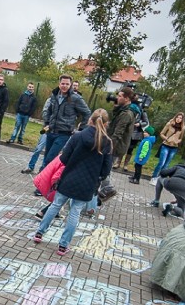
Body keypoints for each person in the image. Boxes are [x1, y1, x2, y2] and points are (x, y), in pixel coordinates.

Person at [32, 109, 112, 256]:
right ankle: (63, 246)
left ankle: (39, 233)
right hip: (88, 184)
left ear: (89, 121)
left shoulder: (78, 136)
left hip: (69, 178)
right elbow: (106, 169)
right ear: (106, 124)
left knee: (56, 205)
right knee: (74, 213)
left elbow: (64, 158)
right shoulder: (107, 143)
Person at [40, 75, 92, 170]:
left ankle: (43, 178)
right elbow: (49, 110)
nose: (64, 86)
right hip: (51, 131)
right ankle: (49, 180)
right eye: (63, 83)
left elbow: (87, 113)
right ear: (59, 84)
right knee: (46, 158)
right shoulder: (54, 95)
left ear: (71, 85)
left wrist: (81, 128)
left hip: (63, 133)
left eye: (67, 84)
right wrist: (47, 123)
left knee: (49, 159)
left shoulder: (75, 98)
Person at [151, 112, 185, 185]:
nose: (178, 119)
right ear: (175, 117)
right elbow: (161, 133)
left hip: (174, 147)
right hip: (166, 145)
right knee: (161, 162)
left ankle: (160, 178)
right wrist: (166, 138)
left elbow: (181, 138)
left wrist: (177, 141)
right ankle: (154, 177)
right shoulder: (169, 124)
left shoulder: (182, 128)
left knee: (167, 164)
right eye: (178, 117)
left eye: (180, 118)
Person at [106, 87, 136, 170]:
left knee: (105, 171)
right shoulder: (122, 110)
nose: (117, 98)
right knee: (105, 170)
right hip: (114, 146)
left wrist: (108, 147)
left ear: (126, 99)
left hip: (115, 147)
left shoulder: (126, 114)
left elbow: (118, 133)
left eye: (119, 96)